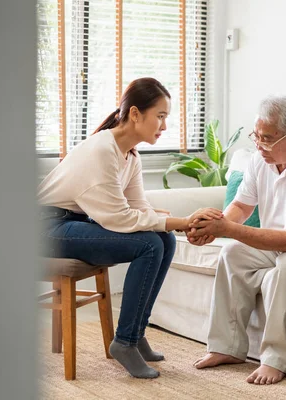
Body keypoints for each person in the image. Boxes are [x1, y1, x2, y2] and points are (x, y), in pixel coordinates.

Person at [37, 77, 222, 379]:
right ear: (135, 114)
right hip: (46, 228)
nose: (164, 126)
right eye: (160, 116)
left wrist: (174, 224)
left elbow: (139, 207)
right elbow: (120, 219)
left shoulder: (130, 153)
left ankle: (135, 335)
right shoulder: (101, 151)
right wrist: (184, 221)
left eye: (167, 117)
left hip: (73, 221)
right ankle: (124, 343)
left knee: (163, 239)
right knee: (148, 245)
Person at [191, 96, 286, 385]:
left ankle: (275, 360)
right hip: (274, 243)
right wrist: (215, 227)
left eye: (268, 139)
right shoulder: (261, 160)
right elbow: (242, 207)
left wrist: (227, 229)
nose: (259, 145)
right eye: (256, 136)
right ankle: (227, 347)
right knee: (233, 253)